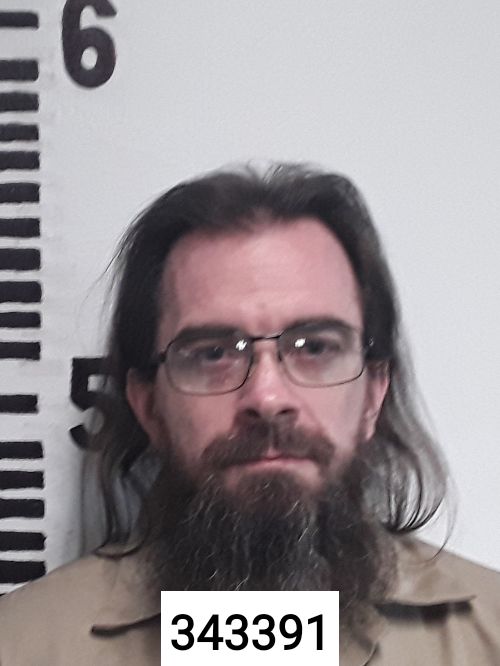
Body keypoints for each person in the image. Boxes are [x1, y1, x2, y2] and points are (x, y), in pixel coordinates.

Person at [0, 164, 499, 665]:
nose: (267, 397)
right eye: (213, 353)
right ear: (148, 405)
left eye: (315, 347)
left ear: (373, 394)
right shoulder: (22, 647)